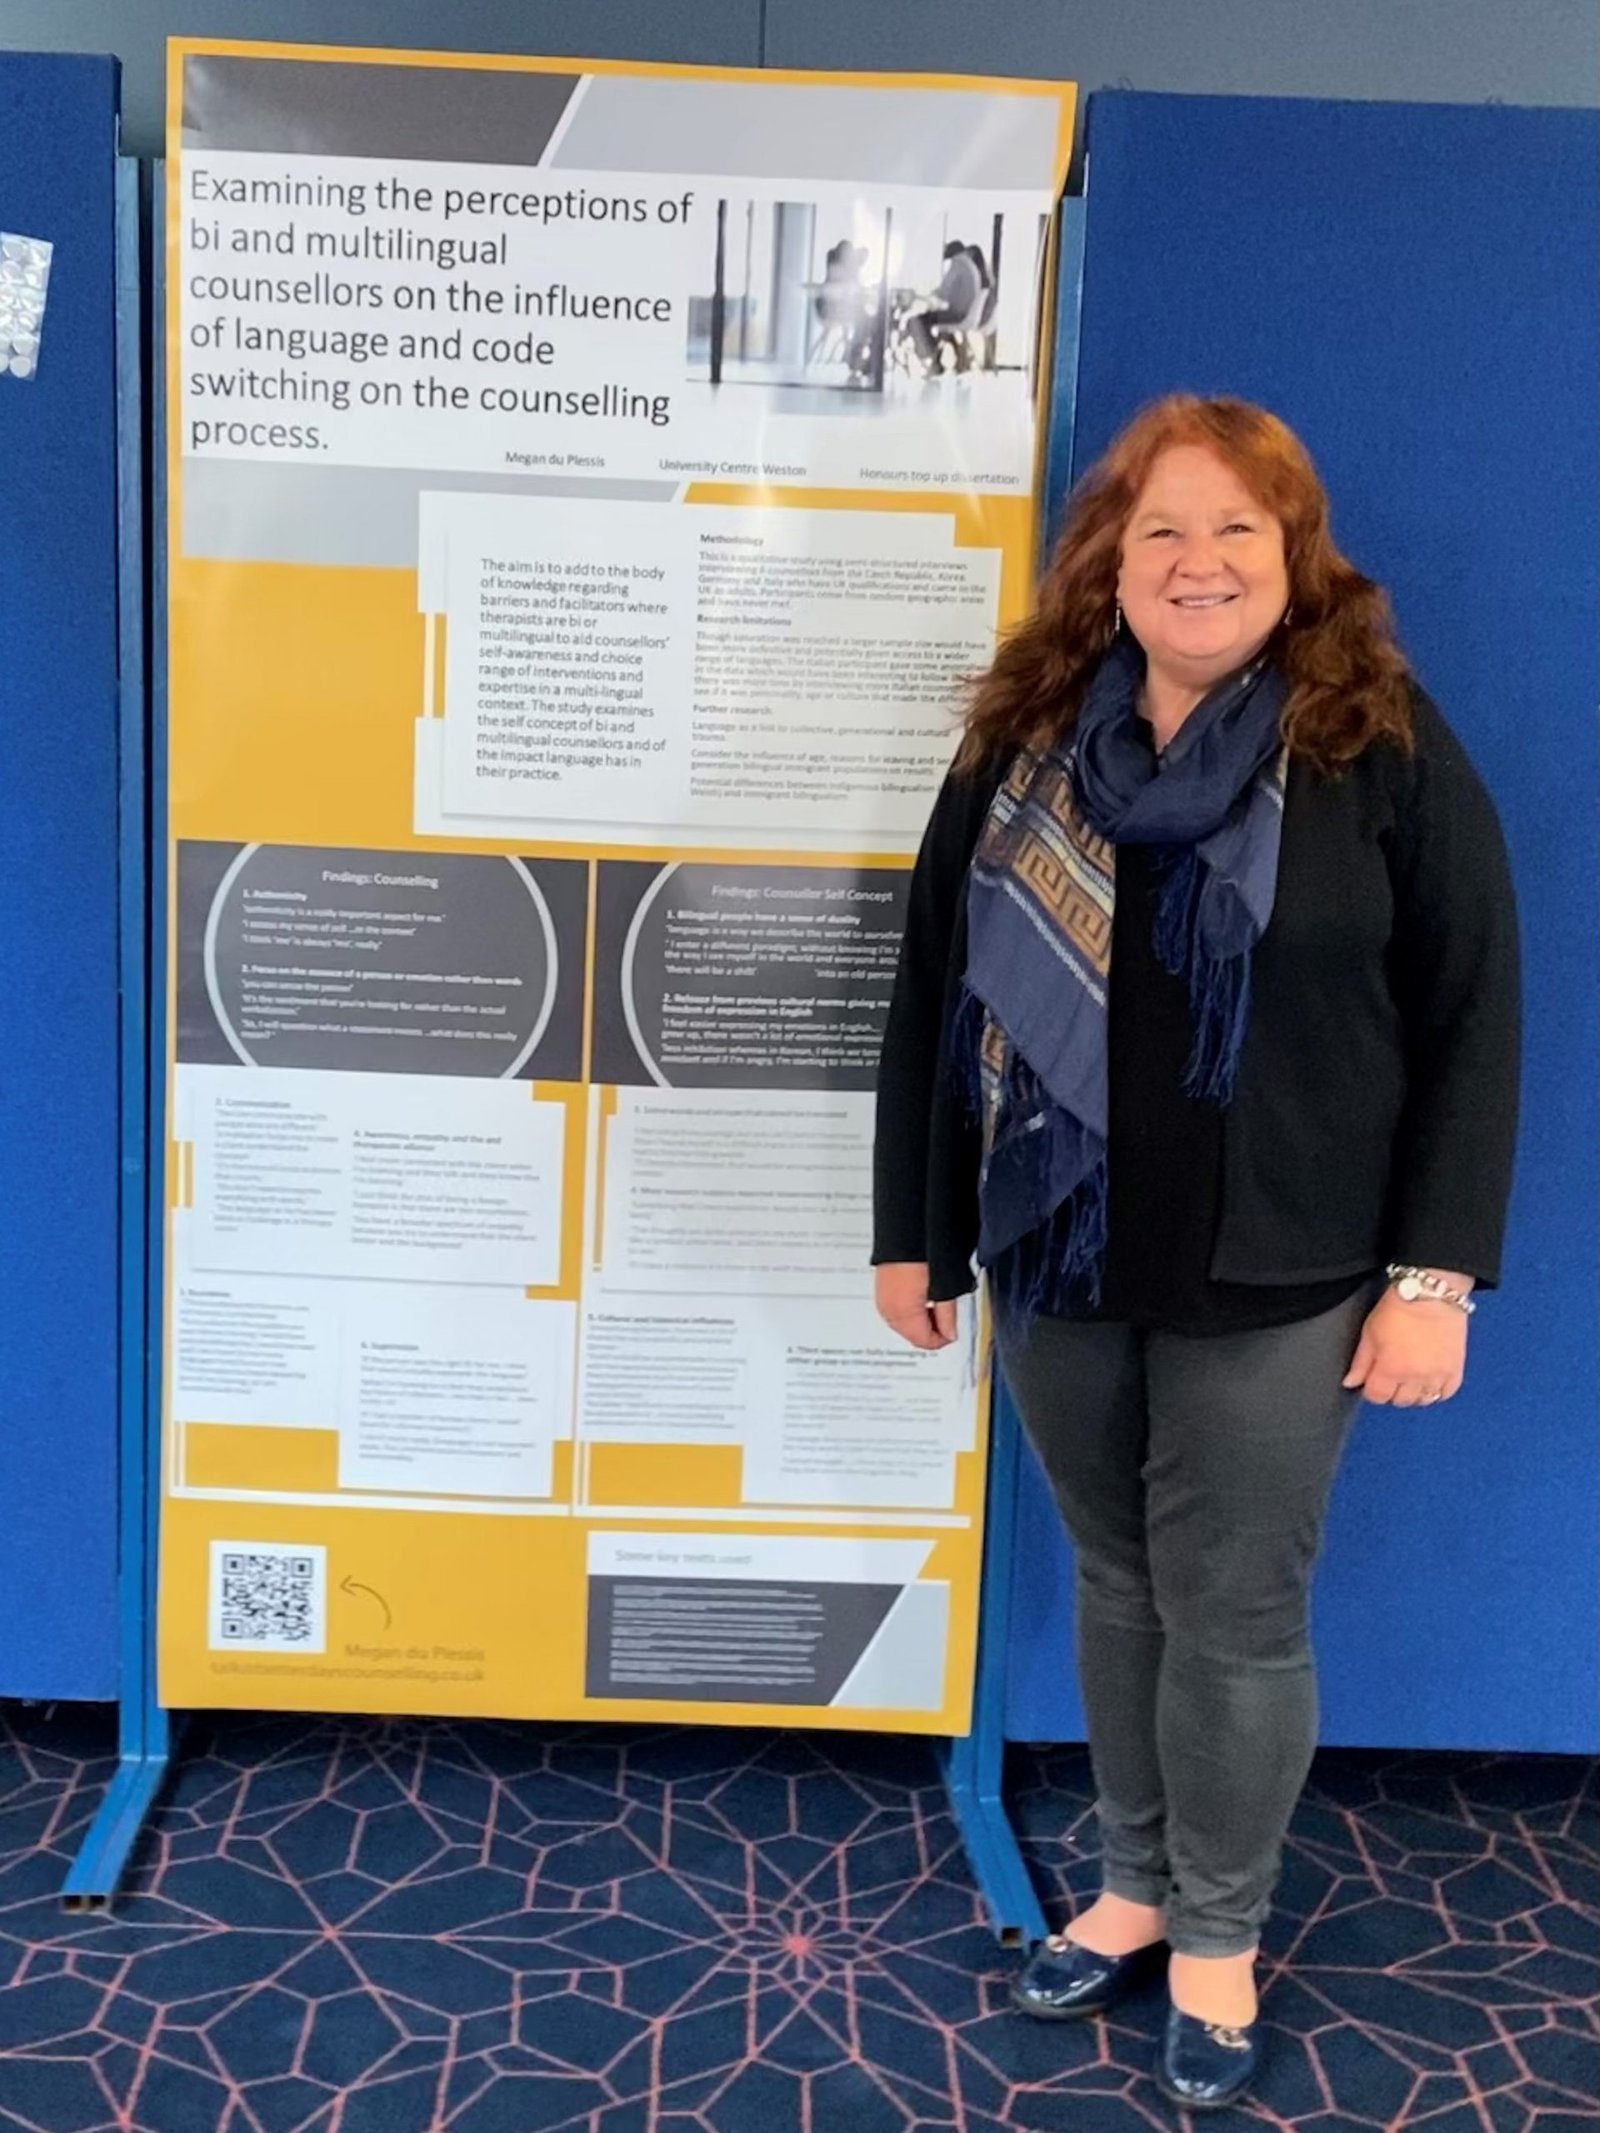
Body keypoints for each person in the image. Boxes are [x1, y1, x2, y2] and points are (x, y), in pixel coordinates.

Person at [872, 395, 1519, 2110]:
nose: (1200, 560)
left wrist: (1434, 1273)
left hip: (1287, 1271)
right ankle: (1139, 1882)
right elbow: (933, 989)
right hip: (1060, 1249)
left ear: (1294, 560)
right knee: (1115, 1580)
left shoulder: (1373, 740)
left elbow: (1474, 1009)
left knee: (1234, 1608)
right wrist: (915, 1231)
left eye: (1239, 528)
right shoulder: (1023, 738)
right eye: (1163, 528)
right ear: (1111, 559)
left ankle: (1220, 1931)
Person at [908, 239, 983, 373]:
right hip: (966, 313)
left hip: (958, 313)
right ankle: (935, 357)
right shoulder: (969, 264)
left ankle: (929, 354)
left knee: (917, 320)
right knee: (932, 322)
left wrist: (924, 296)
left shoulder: (958, 264)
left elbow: (944, 292)